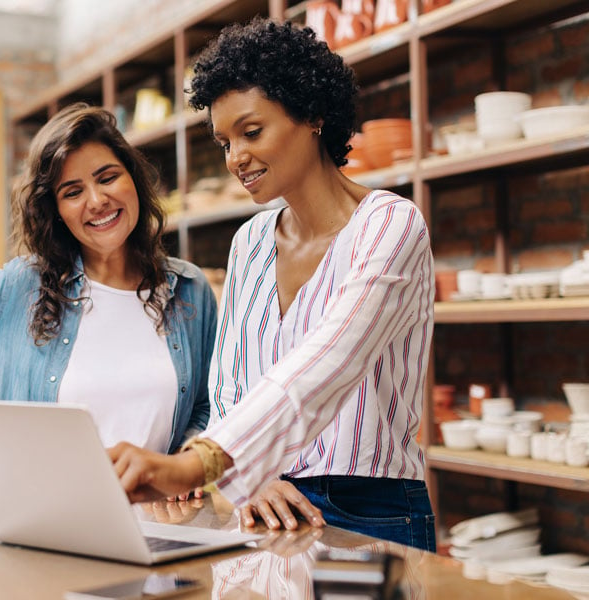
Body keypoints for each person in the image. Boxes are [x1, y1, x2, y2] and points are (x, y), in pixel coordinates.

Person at [109, 17, 437, 552]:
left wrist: (198, 464)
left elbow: (328, 365)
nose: (235, 157)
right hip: (265, 503)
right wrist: (252, 478)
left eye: (251, 132)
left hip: (372, 511)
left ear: (311, 115)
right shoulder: (251, 241)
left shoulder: (389, 225)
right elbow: (230, 387)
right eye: (223, 141)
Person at [0, 103, 218, 456]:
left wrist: (183, 464)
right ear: (55, 211)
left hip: (153, 512)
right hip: (48, 507)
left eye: (107, 177)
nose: (98, 200)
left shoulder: (189, 289)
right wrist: (2, 414)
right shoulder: (22, 285)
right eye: (72, 192)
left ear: (134, 179)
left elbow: (206, 405)